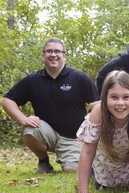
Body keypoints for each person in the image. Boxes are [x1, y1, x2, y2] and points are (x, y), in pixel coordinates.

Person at [1, 38, 99, 173]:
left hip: (74, 137)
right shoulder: (32, 80)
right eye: (49, 51)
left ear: (64, 56)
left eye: (57, 51)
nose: (53, 54)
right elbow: (7, 100)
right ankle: (44, 162)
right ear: (43, 55)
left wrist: (91, 132)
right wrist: (23, 119)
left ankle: (71, 158)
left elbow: (98, 105)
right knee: (30, 130)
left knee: (71, 170)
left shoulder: (79, 78)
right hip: (47, 134)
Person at [64, 70, 129, 193]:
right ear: (105, 98)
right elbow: (88, 151)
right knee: (104, 185)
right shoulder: (98, 111)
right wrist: (83, 192)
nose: (120, 103)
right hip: (104, 166)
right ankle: (93, 176)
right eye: (114, 97)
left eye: (126, 97)